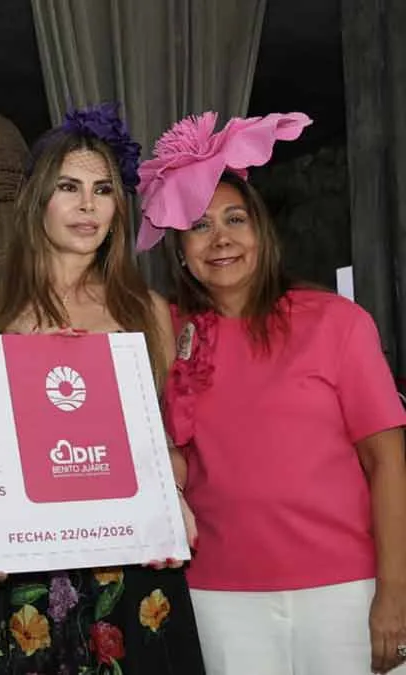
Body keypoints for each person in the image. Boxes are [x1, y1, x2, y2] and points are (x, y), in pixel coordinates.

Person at [137, 110, 406, 675]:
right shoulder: (165, 333)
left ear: (261, 230)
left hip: (346, 589)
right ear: (179, 246)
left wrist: (395, 593)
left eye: (235, 219)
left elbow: (387, 462)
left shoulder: (337, 323)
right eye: (199, 225)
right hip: (218, 595)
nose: (221, 239)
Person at [0, 103, 206, 675]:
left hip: (132, 558)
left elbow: (168, 444)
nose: (88, 205)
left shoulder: (146, 309)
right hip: (24, 563)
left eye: (103, 190)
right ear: (36, 199)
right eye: (69, 187)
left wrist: (171, 503)